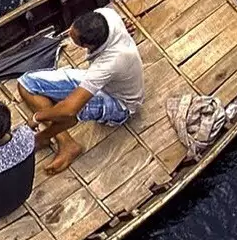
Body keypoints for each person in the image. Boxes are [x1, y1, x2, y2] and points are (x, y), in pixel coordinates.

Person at [18, 9, 145, 175]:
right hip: (104, 82)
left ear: (87, 46)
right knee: (26, 83)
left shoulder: (108, 64)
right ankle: (66, 142)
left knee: (70, 113)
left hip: (120, 103)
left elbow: (70, 109)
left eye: (73, 38)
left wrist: (37, 117)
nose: (69, 32)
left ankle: (40, 138)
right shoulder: (107, 15)